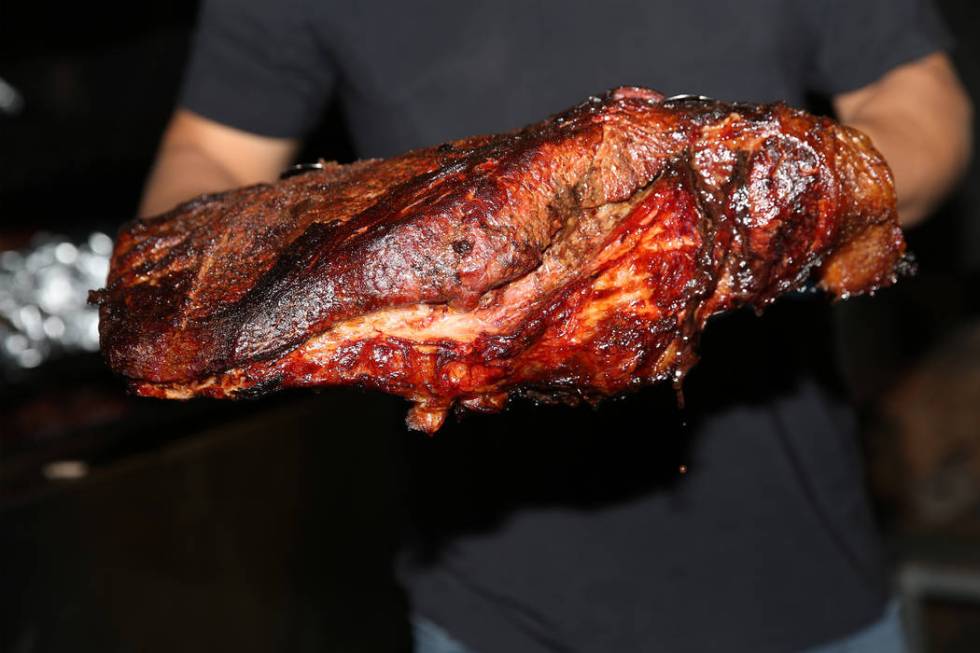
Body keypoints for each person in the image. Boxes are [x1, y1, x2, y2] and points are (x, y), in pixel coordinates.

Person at [140, 1, 972, 651]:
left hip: (802, 583)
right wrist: (231, 279)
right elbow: (210, 154)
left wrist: (748, 207)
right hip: (493, 613)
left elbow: (918, 98)